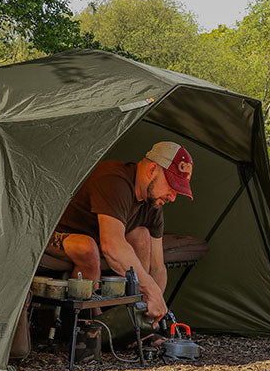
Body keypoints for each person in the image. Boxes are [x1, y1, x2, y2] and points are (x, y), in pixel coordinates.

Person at [45, 141, 194, 329]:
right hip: (56, 235)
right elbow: (112, 246)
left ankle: (134, 324)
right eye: (172, 186)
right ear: (152, 170)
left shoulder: (154, 204)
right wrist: (150, 290)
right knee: (87, 247)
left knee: (141, 235)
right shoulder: (114, 180)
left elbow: (158, 267)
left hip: (97, 239)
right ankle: (88, 324)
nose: (173, 197)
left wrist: (153, 308)